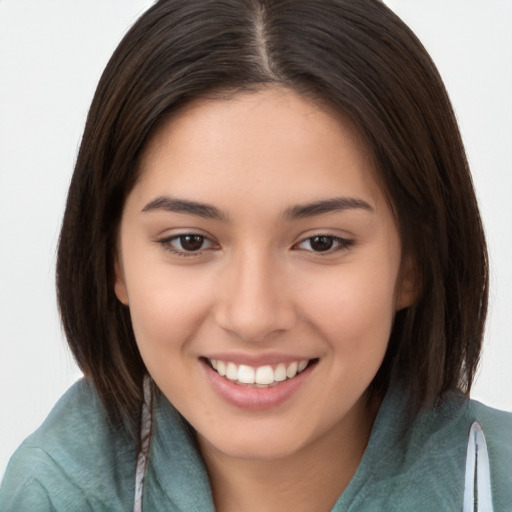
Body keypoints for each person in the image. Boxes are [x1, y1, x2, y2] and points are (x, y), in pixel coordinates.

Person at [0, 0, 510, 510]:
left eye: (321, 242)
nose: (253, 317)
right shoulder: (53, 492)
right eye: (190, 241)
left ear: (413, 263)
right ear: (113, 260)